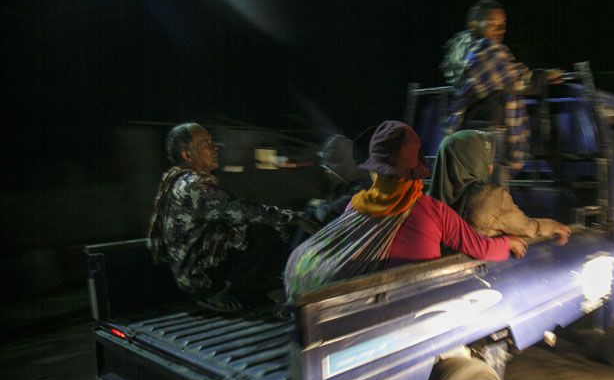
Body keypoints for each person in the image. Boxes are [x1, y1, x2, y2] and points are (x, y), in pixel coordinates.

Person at [285, 121, 527, 296]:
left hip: (357, 307)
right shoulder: (433, 211)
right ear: (415, 172)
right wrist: (508, 243)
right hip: (415, 304)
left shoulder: (356, 206)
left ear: (375, 172)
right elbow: (482, 249)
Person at [148, 123, 297, 312]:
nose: (214, 147)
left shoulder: (177, 179)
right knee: (266, 230)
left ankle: (251, 286)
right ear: (187, 155)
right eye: (205, 143)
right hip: (200, 277)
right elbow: (243, 210)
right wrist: (292, 218)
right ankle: (221, 293)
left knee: (251, 228)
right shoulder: (193, 185)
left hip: (190, 269)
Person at [441, 0, 563, 184]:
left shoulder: (463, 53)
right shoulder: (489, 51)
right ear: (474, 26)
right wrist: (544, 77)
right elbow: (520, 82)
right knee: (493, 199)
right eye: (492, 25)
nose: (500, 31)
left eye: (502, 25)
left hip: (466, 136)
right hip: (490, 136)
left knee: (469, 194)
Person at [430, 130, 571, 244]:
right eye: (485, 159)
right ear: (474, 161)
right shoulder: (489, 198)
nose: (490, 168)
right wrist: (554, 227)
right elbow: (526, 227)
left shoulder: (424, 203)